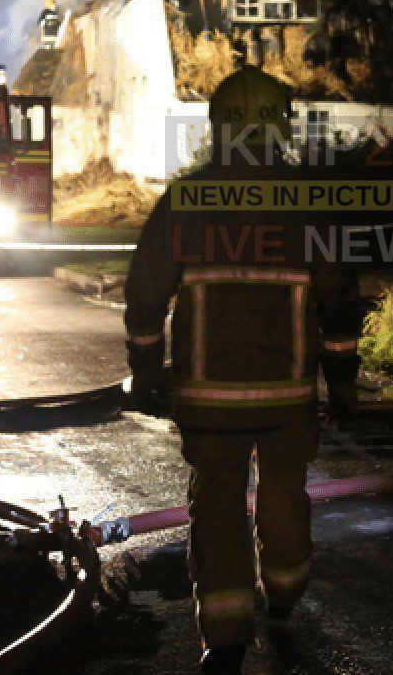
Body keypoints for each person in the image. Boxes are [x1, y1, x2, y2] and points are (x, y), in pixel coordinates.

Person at [124, 66, 362, 674]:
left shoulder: (185, 201)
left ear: (219, 127)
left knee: (218, 504)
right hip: (287, 397)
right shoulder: (310, 204)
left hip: (207, 399)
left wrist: (148, 369)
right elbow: (339, 299)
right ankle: (284, 591)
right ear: (280, 129)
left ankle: (225, 638)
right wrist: (341, 379)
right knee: (285, 490)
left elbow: (146, 294)